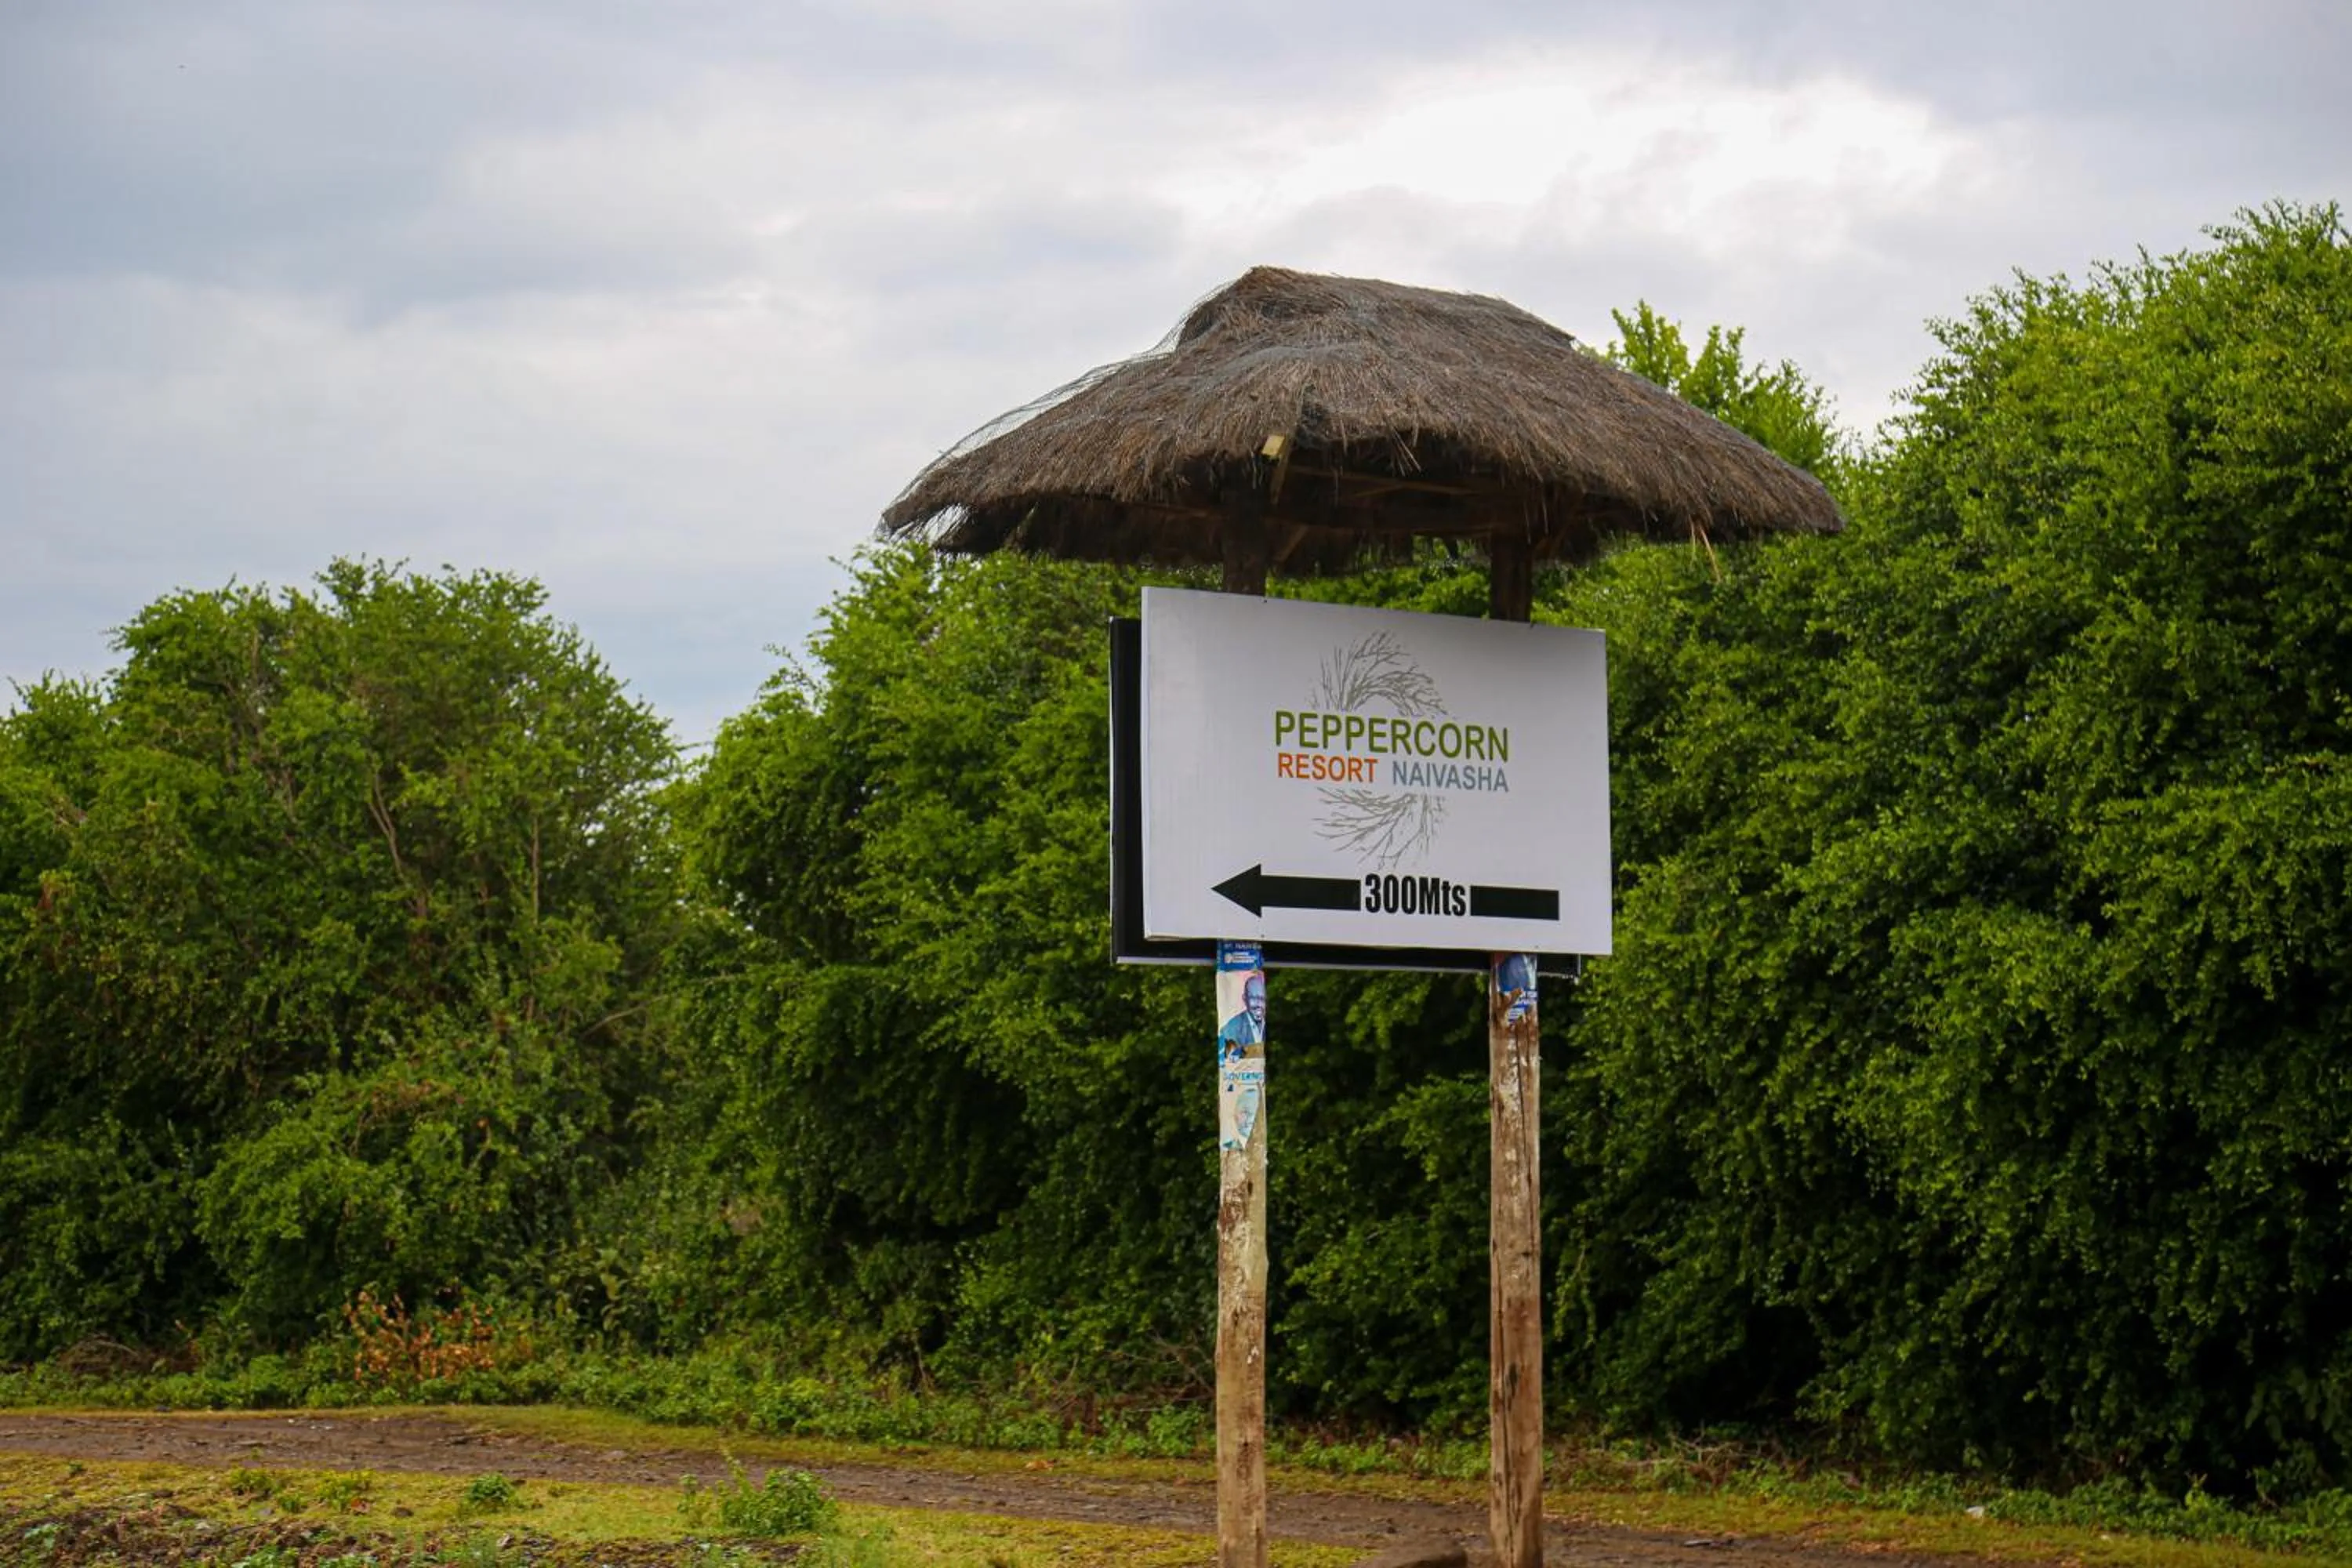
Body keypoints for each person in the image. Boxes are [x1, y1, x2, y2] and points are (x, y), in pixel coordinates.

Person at [1219, 971, 1267, 1051]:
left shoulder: (1266, 1023)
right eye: (1253, 998)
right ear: (1245, 999)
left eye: (1261, 999)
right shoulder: (1231, 1029)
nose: (1259, 1004)